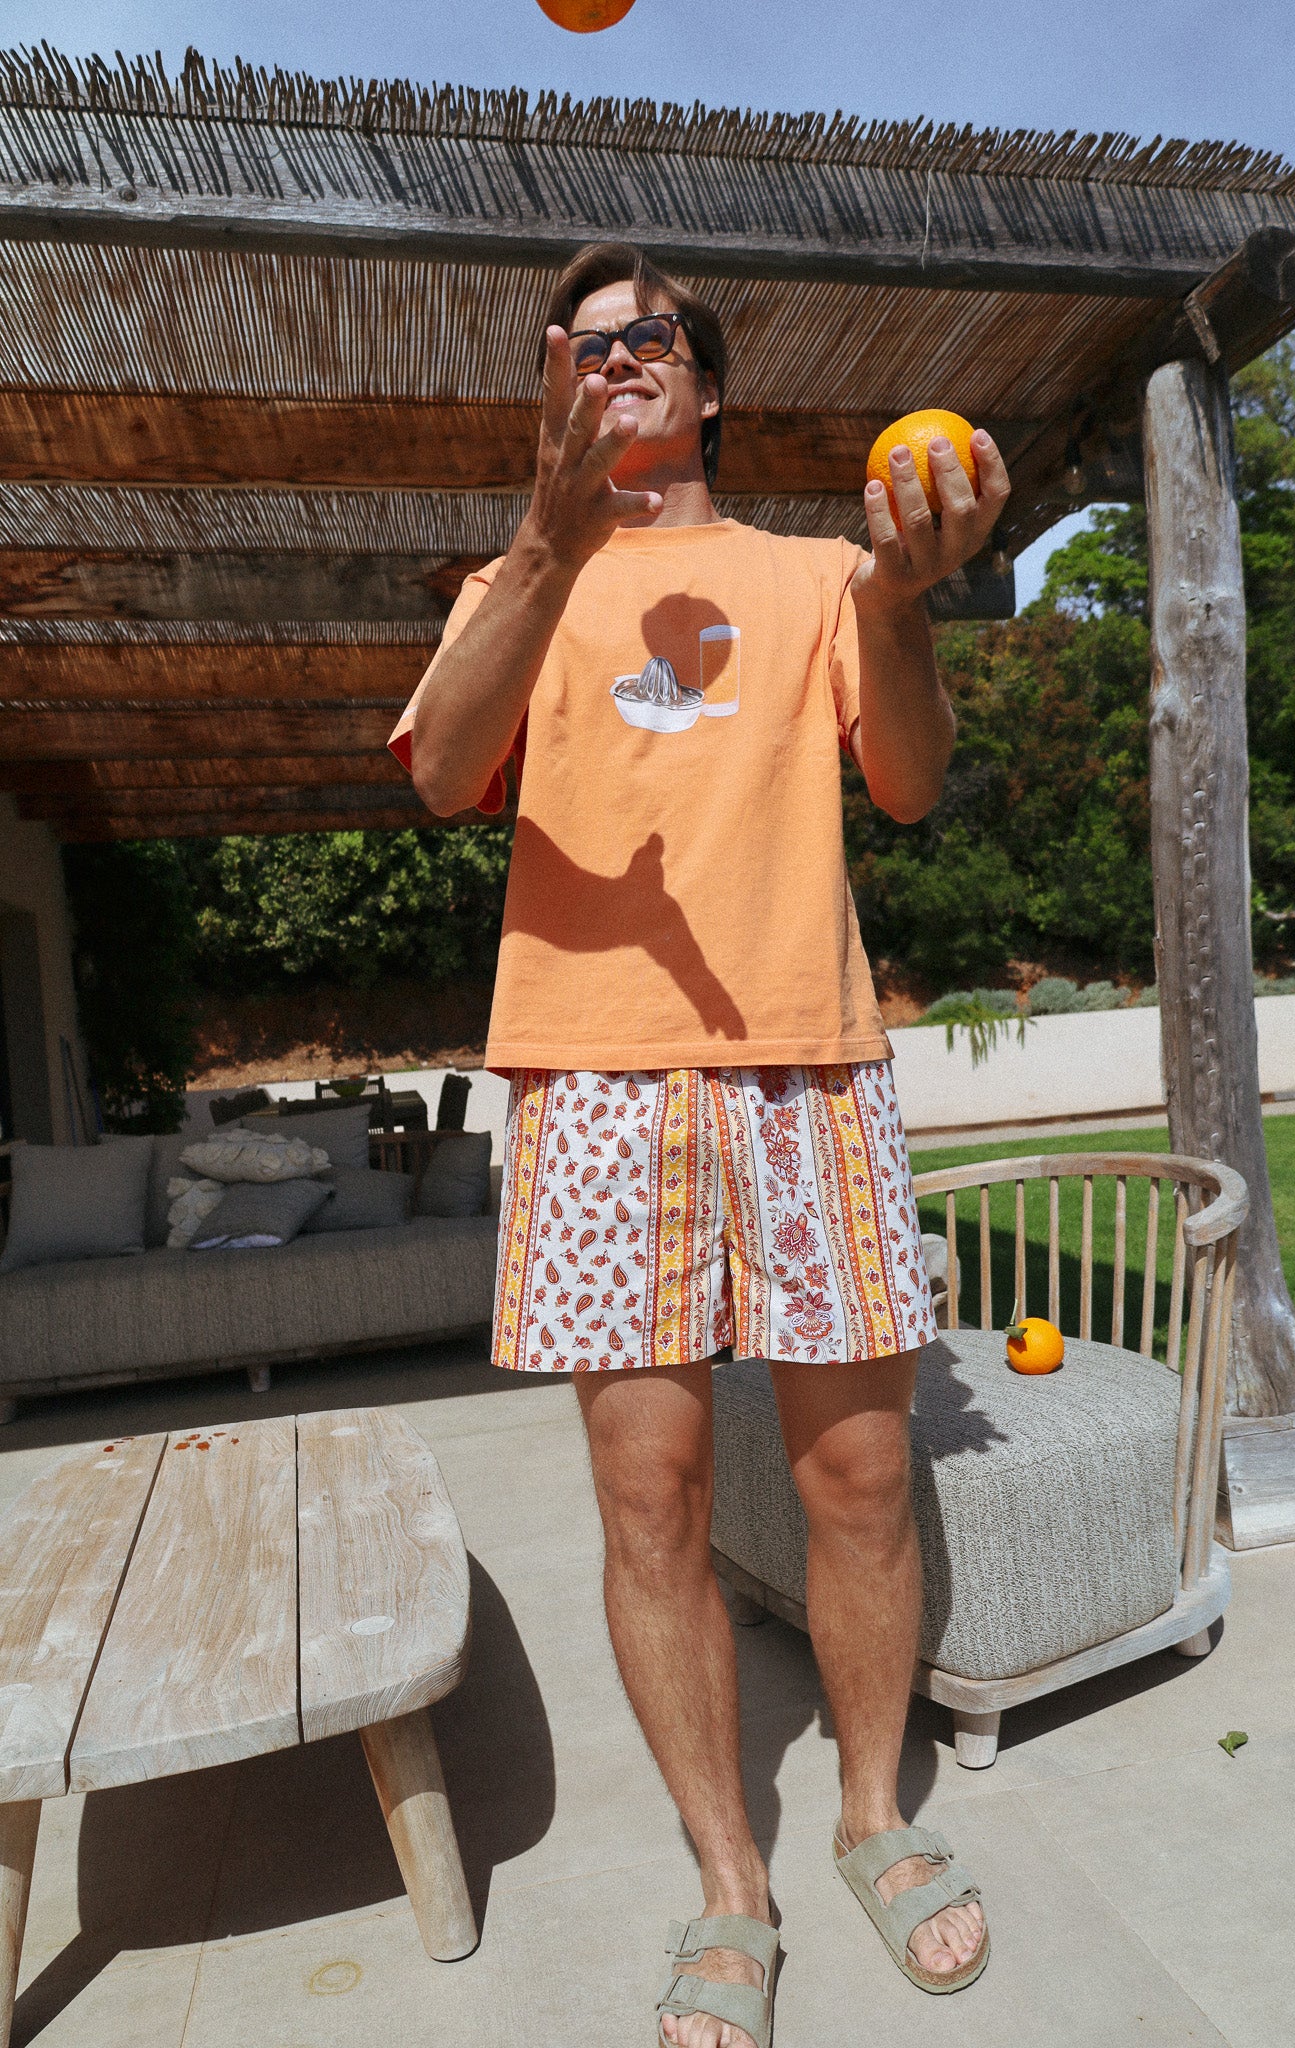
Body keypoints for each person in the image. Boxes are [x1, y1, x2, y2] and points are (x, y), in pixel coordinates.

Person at [389, 241, 1011, 2048]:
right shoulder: (512, 579)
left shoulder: (821, 575)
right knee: (649, 1500)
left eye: (650, 335)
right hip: (593, 1079)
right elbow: (437, 771)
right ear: (554, 390)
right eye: (582, 346)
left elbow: (908, 780)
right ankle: (731, 1879)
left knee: (861, 1481)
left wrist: (901, 602)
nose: (618, 360)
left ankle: (873, 1818)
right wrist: (545, 534)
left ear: (710, 383)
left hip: (806, 1064)